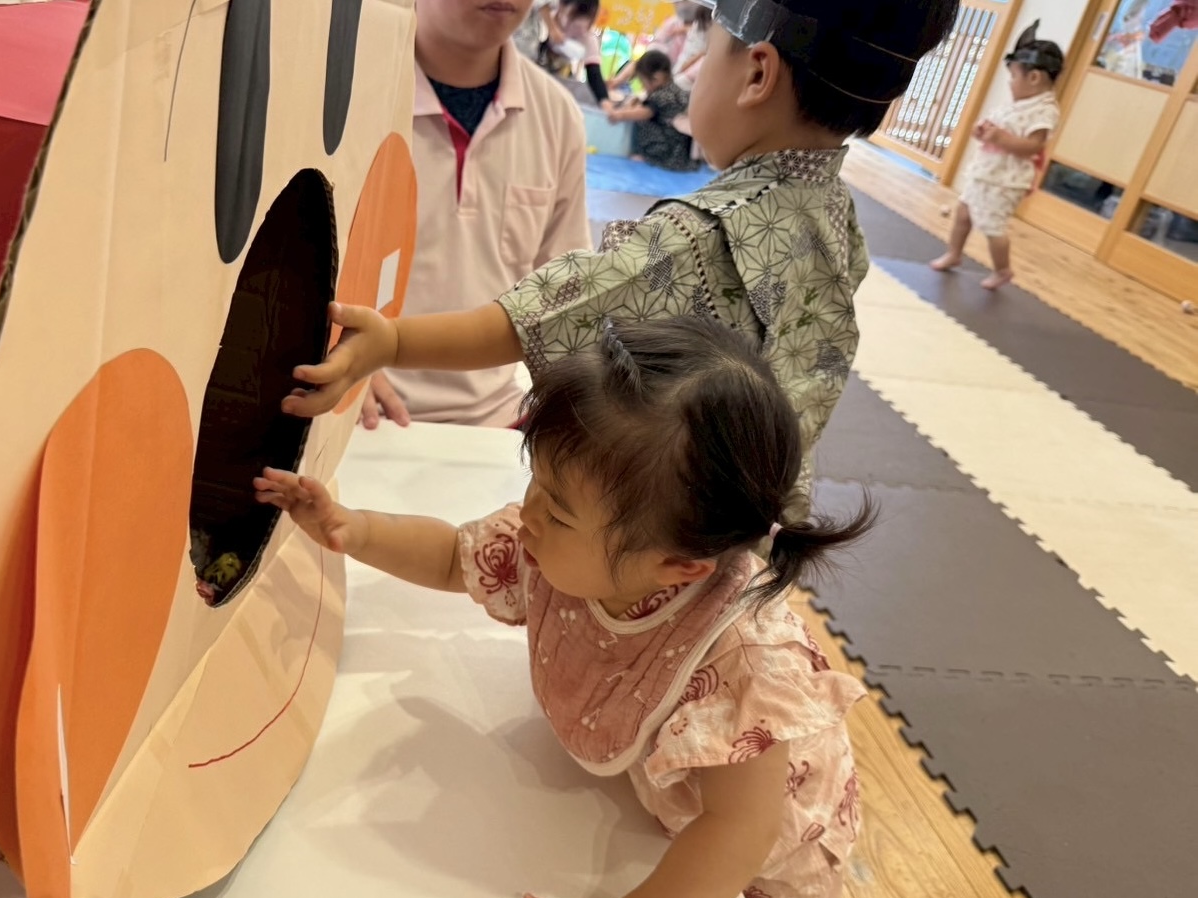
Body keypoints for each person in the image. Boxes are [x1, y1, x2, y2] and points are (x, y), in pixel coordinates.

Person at [257, 318, 875, 898]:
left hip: (769, 852)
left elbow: (739, 829)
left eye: (557, 510)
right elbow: (456, 557)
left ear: (678, 566)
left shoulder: (745, 669)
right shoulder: (558, 545)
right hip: (673, 794)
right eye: (537, 481)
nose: (527, 514)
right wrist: (356, 529)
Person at [290, 0, 962, 524]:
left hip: (648, 520)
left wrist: (393, 341)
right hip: (744, 523)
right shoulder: (838, 220)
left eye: (707, 55)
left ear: (757, 73)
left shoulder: (695, 232)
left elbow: (544, 310)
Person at [364, 0, 591, 430]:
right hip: (355, 410)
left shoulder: (557, 115)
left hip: (495, 421)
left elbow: (565, 288)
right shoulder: (355, 87)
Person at [932, 22, 1064, 290]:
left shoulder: (1044, 110)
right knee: (963, 213)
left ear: (1034, 78)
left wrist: (1001, 139)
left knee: (992, 226)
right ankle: (954, 253)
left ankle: (1003, 270)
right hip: (985, 171)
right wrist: (982, 131)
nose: (1010, 83)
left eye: (1013, 77)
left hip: (1006, 180)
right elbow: (995, 127)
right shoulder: (1014, 105)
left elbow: (1033, 147)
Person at [607, 49, 693, 171]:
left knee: (641, 122)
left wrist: (619, 115)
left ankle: (648, 157)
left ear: (656, 79)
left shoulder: (661, 96)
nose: (643, 87)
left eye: (643, 82)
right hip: (682, 154)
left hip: (669, 154)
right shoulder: (676, 91)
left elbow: (645, 113)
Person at [607, 1, 696, 92]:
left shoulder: (700, 31)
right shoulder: (672, 24)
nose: (678, 5)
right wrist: (618, 80)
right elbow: (648, 57)